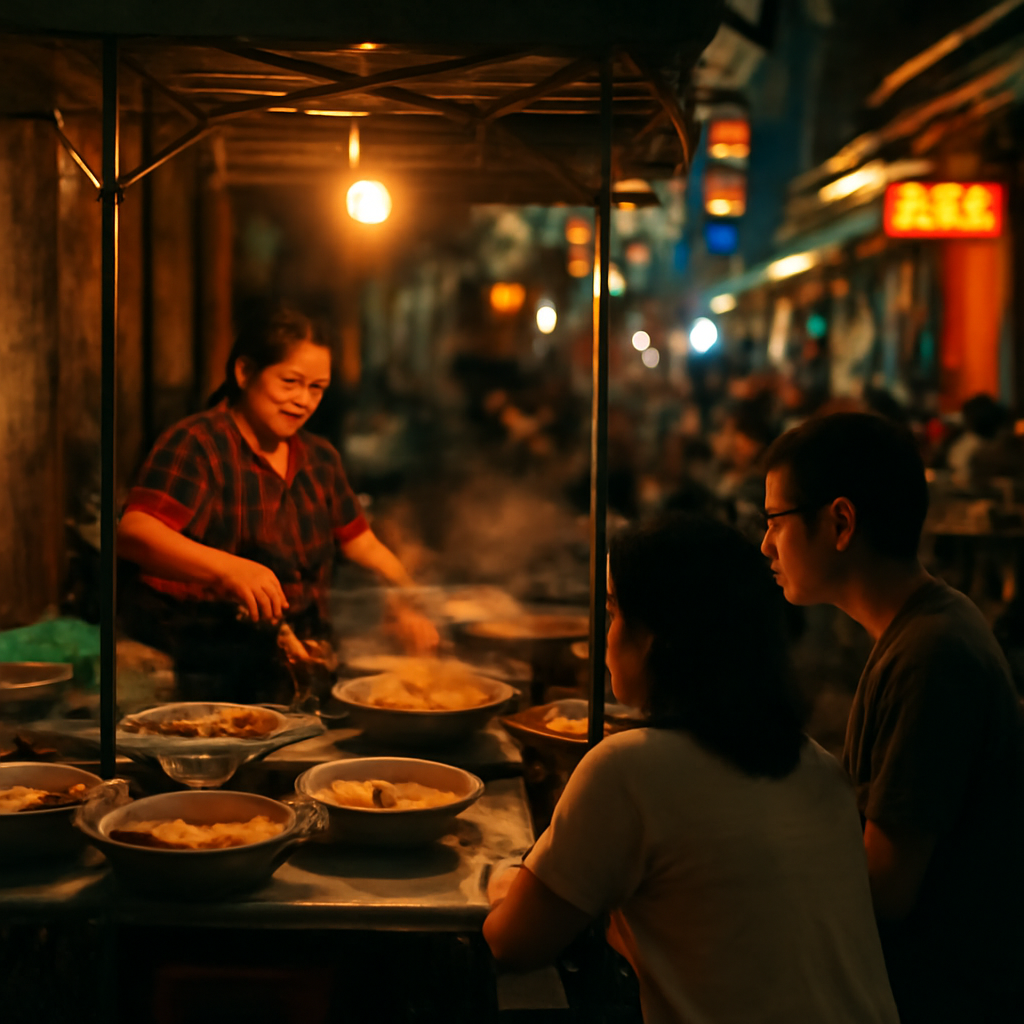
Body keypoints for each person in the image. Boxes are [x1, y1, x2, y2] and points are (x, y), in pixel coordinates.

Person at [484, 514, 898, 1024]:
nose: (605, 637)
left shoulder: (627, 768)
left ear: (657, 637)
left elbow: (513, 942)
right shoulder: (820, 768)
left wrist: (502, 879)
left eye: (613, 612)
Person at [761, 412, 1024, 1023]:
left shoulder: (932, 655)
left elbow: (884, 891)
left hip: (940, 997)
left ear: (841, 523)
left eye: (774, 520)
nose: (766, 544)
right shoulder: (921, 629)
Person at [118, 306, 437, 703]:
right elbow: (135, 533)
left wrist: (408, 600)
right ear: (244, 372)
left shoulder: (320, 459)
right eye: (290, 382)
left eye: (317, 388)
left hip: (301, 662)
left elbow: (364, 545)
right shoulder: (198, 444)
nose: (303, 400)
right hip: (205, 666)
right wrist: (230, 570)